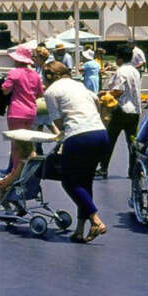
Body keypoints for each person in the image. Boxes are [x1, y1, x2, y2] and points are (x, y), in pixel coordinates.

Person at [43, 57, 110, 243]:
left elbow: (57, 123)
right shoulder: (79, 86)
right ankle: (80, 230)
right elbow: (96, 102)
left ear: (49, 76)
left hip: (79, 136)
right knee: (85, 182)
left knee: (69, 182)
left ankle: (95, 220)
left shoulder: (51, 91)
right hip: (100, 134)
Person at [97, 44, 142, 178]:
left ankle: (103, 168)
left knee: (110, 139)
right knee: (132, 142)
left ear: (120, 58)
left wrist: (105, 93)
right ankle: (133, 170)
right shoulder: (135, 71)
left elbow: (119, 90)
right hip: (135, 110)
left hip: (121, 110)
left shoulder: (121, 71)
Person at [1, 45, 43, 173]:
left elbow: (5, 90)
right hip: (31, 111)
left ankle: (16, 172)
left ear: (18, 60)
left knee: (16, 145)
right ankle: (29, 171)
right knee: (28, 143)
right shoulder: (35, 74)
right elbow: (40, 93)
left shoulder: (14, 72)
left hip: (16, 112)